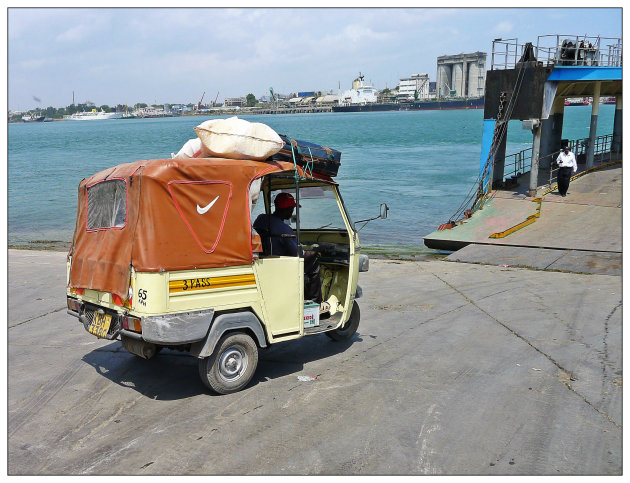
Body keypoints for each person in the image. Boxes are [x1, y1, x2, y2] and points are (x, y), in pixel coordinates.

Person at [253, 193, 324, 305]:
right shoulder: (285, 229)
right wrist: (316, 251)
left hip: (266, 260)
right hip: (282, 265)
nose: (292, 212)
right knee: (314, 262)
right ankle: (316, 302)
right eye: (291, 209)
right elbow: (299, 254)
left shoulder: (261, 219)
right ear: (287, 209)